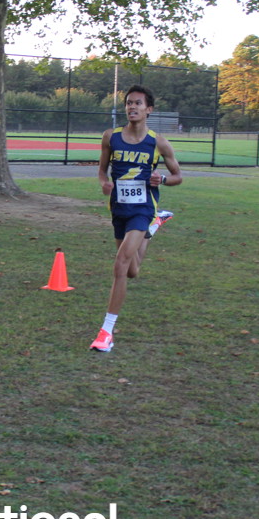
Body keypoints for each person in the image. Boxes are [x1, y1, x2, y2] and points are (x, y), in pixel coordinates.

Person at [91, 84, 183, 353]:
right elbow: (101, 170)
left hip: (143, 208)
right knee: (132, 271)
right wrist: (104, 183)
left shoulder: (158, 142)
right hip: (119, 209)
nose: (132, 107)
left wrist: (162, 179)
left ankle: (106, 332)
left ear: (148, 110)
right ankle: (154, 228)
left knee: (120, 263)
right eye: (129, 103)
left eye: (138, 103)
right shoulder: (111, 137)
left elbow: (178, 177)